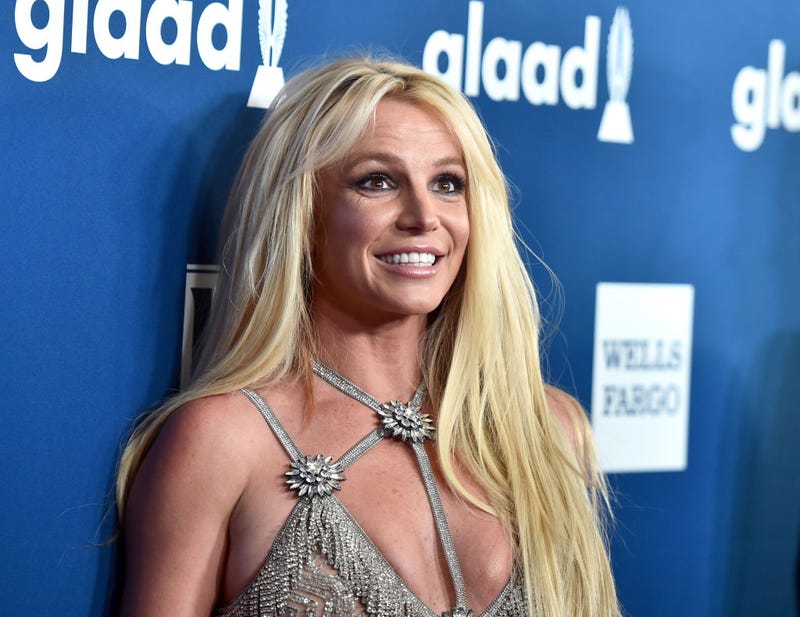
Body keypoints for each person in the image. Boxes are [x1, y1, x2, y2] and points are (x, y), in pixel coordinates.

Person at [116, 57, 619, 617]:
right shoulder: (223, 441)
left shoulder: (548, 431)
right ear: (304, 214)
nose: (424, 215)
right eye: (377, 181)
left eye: (448, 184)